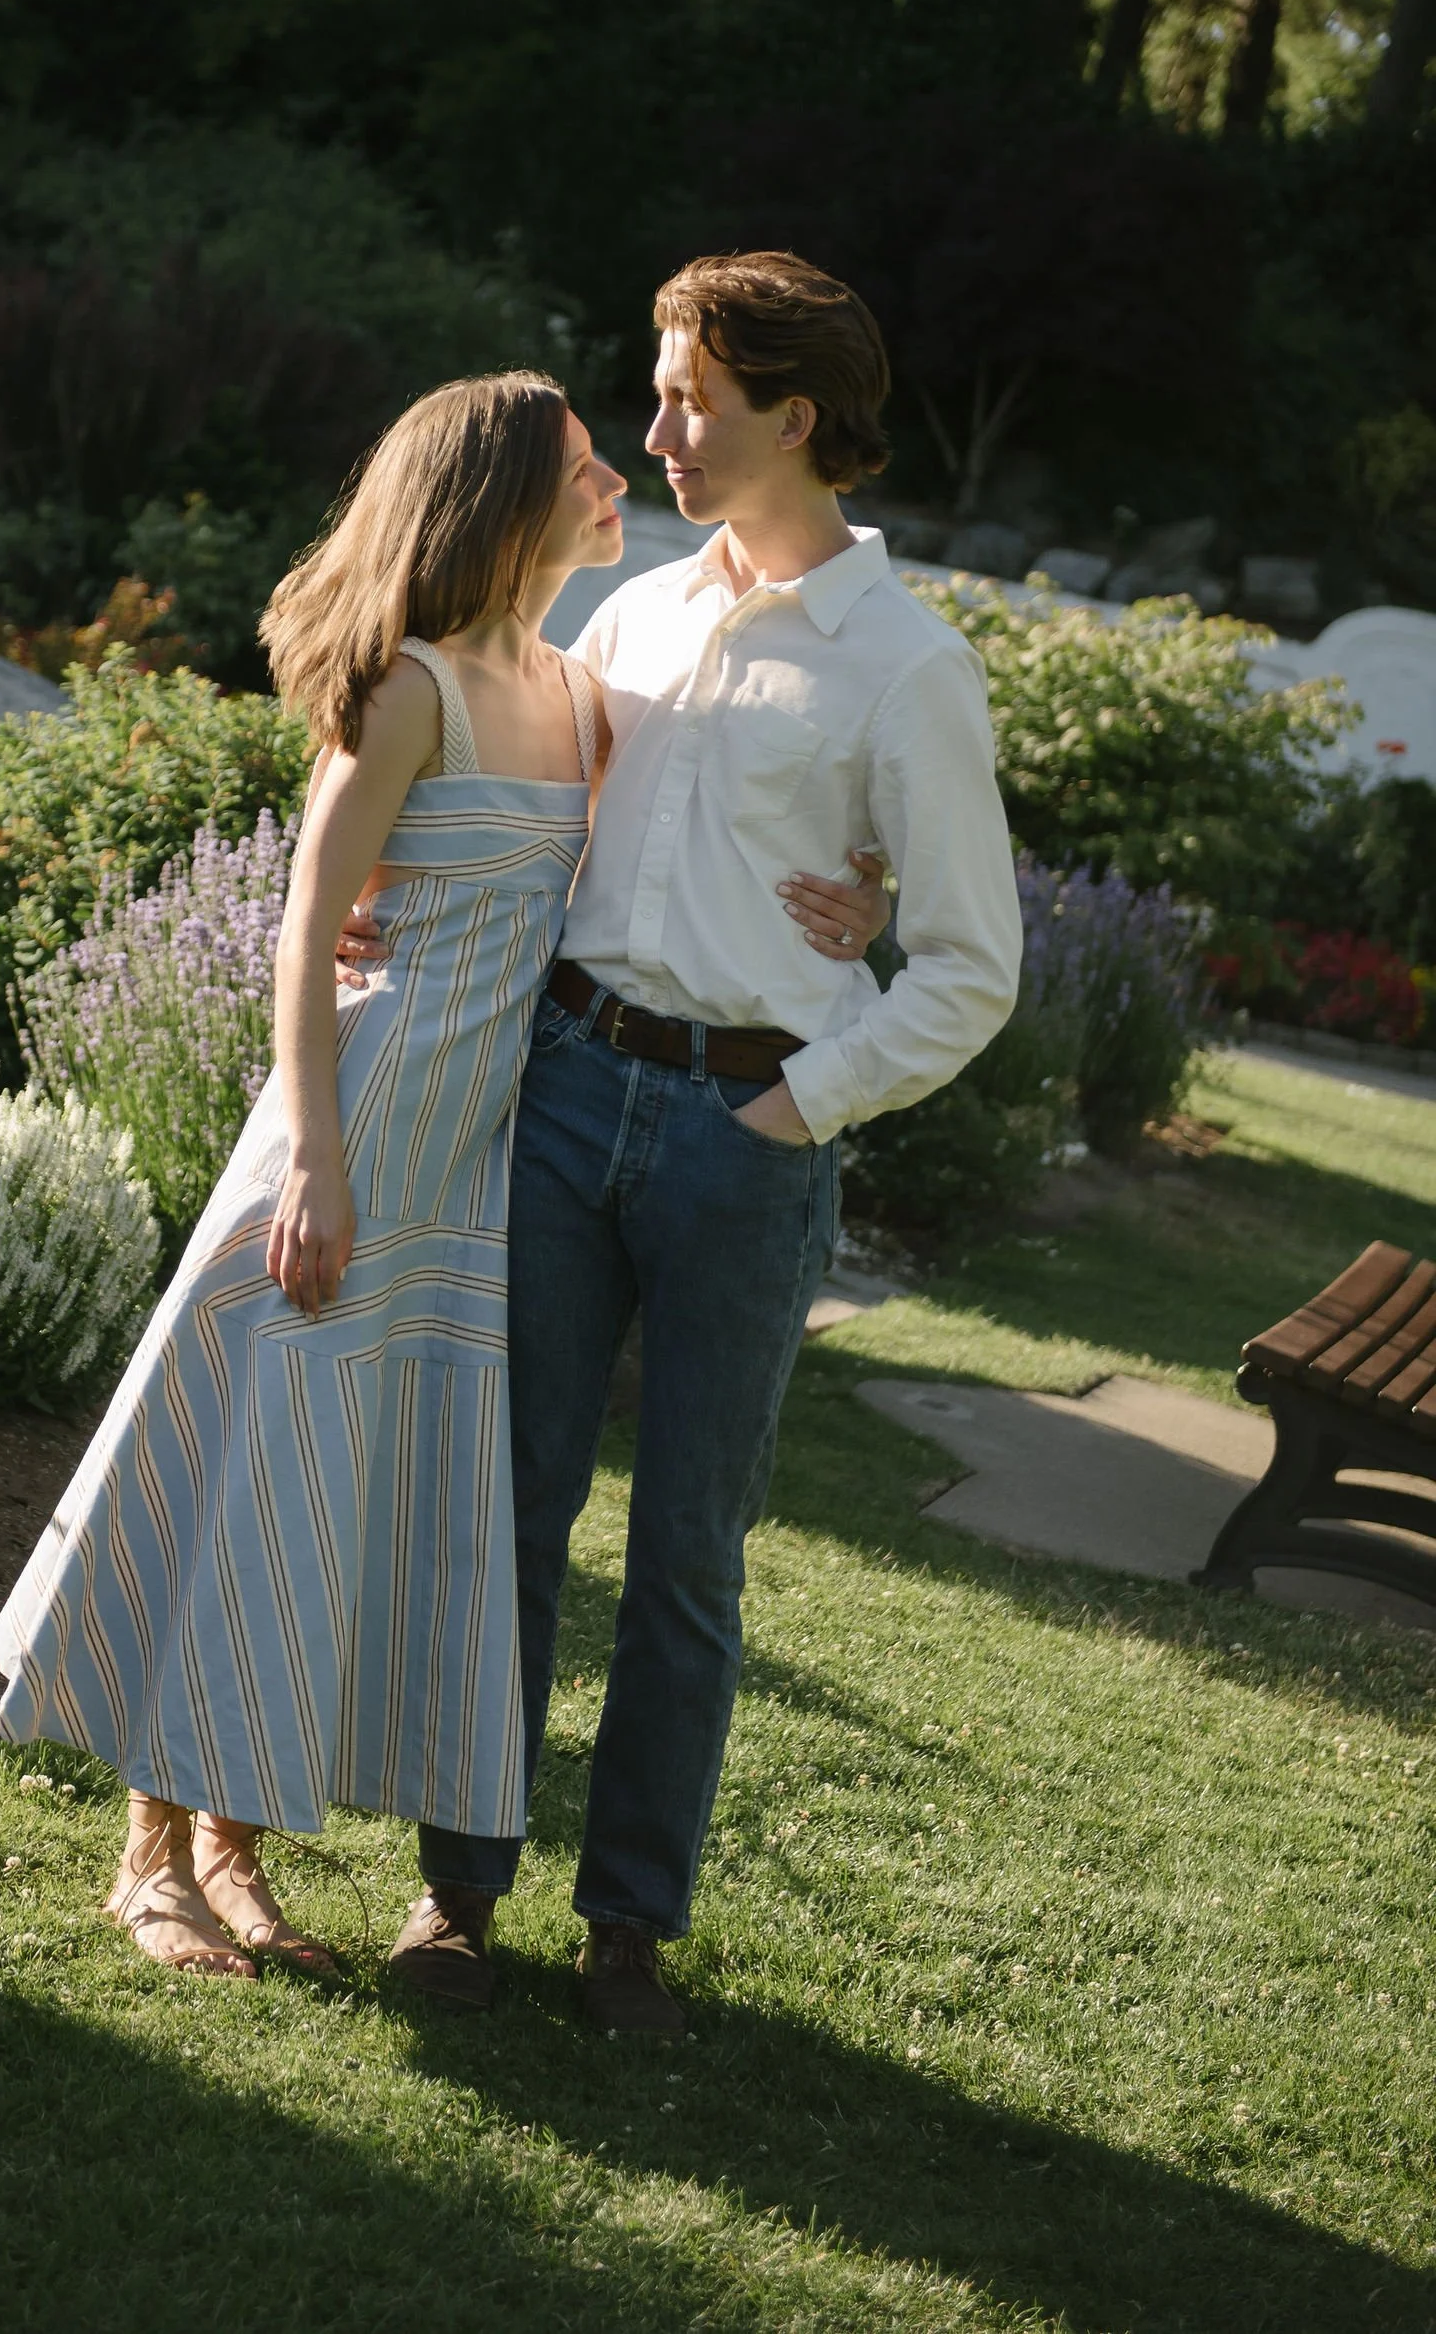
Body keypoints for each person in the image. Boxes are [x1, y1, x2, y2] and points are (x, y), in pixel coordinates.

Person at [385, 251, 1023, 2036]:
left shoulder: (906, 670)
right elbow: (510, 790)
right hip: (569, 1085)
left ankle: (627, 1928)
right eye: (661, 393)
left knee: (686, 1548)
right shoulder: (637, 614)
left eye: (687, 399)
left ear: (791, 416)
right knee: (510, 1503)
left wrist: (787, 1106)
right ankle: (459, 1889)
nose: (653, 430)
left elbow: (976, 971)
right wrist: (385, 899)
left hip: (749, 1136)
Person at [0, 371, 630, 1978]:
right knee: (249, 1463)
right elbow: (302, 921)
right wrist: (319, 1166)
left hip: (464, 1167)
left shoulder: (579, 688)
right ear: (500, 502)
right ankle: (150, 1859)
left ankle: (234, 1846)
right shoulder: (412, 686)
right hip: (345, 1140)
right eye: (581, 463)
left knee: (323, 1496)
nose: (616, 475)